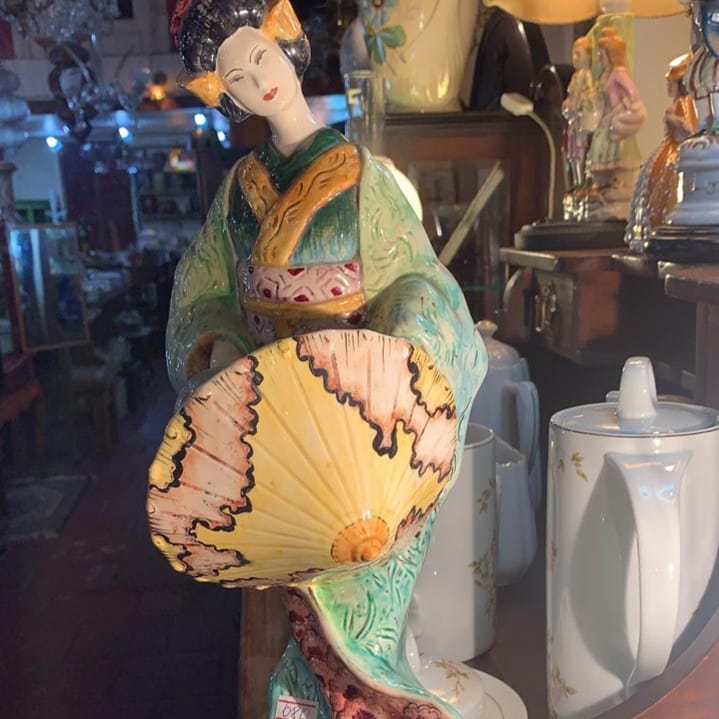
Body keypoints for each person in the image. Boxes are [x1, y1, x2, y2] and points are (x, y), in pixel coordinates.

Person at [153, 2, 485, 718]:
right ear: (222, 93)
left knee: (362, 560)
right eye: (236, 77)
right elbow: (202, 291)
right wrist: (216, 344)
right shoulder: (236, 193)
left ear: (286, 40)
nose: (257, 80)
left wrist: (400, 351)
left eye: (260, 56)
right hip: (274, 417)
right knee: (282, 578)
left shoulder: (364, 176)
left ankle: (364, 697)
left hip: (360, 416)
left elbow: (419, 281)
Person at [585, 28, 645, 219]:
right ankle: (603, 191)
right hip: (605, 122)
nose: (599, 58)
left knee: (614, 154)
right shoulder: (606, 74)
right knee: (598, 151)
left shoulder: (619, 73)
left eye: (601, 54)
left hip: (614, 121)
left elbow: (632, 95)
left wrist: (616, 112)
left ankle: (616, 190)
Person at [562, 36, 595, 193]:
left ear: (588, 56)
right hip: (573, 121)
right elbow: (570, 97)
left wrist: (580, 101)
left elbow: (590, 94)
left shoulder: (586, 75)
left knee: (581, 151)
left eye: (578, 54)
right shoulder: (575, 77)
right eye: (573, 54)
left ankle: (582, 181)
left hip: (581, 121)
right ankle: (576, 182)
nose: (575, 58)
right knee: (572, 153)